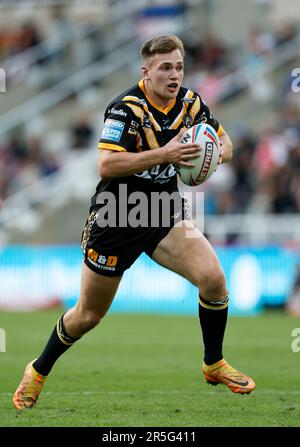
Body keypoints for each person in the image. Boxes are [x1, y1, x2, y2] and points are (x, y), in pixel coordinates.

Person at [13, 35, 255, 410]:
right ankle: (38, 369)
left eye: (178, 67)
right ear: (146, 71)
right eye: (165, 68)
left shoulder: (191, 104)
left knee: (214, 279)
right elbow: (106, 164)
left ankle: (213, 363)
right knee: (88, 316)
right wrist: (167, 153)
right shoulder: (125, 107)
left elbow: (226, 144)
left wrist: (209, 155)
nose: (174, 75)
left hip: (161, 212)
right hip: (117, 214)